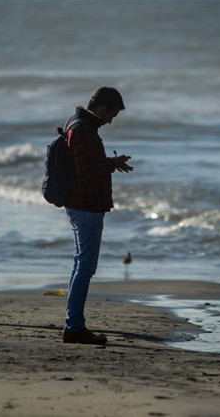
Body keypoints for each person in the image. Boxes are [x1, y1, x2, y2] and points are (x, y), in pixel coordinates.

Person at [62, 87, 133, 344]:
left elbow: (86, 166)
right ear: (101, 108)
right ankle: (74, 327)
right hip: (86, 206)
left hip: (80, 205)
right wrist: (112, 163)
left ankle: (73, 323)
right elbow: (87, 171)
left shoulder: (78, 125)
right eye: (111, 114)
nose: (110, 120)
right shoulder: (83, 130)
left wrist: (110, 163)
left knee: (80, 265)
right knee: (85, 267)